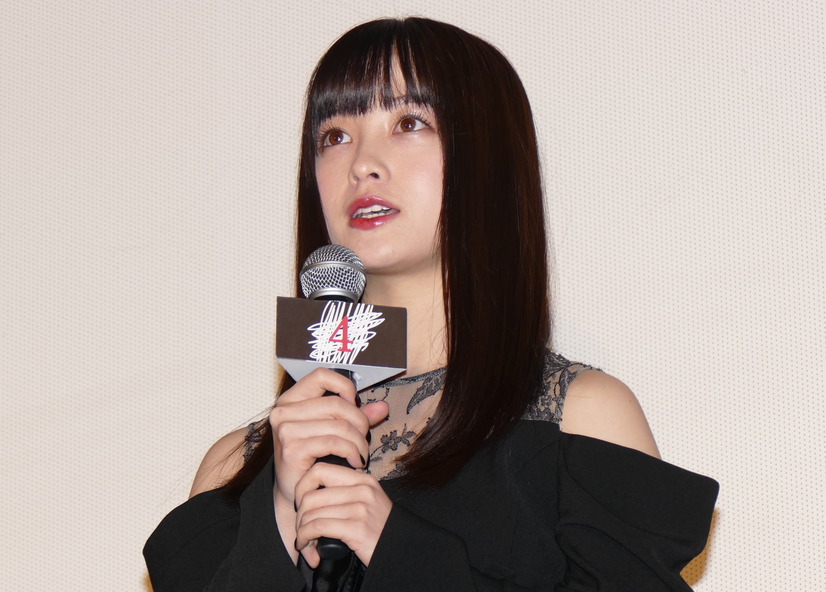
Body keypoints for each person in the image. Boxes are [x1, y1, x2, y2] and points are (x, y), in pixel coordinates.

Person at [144, 17, 718, 591]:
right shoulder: (232, 471)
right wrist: (276, 517)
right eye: (334, 136)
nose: (361, 163)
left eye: (409, 123)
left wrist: (399, 550)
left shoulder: (581, 420)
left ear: (486, 159)